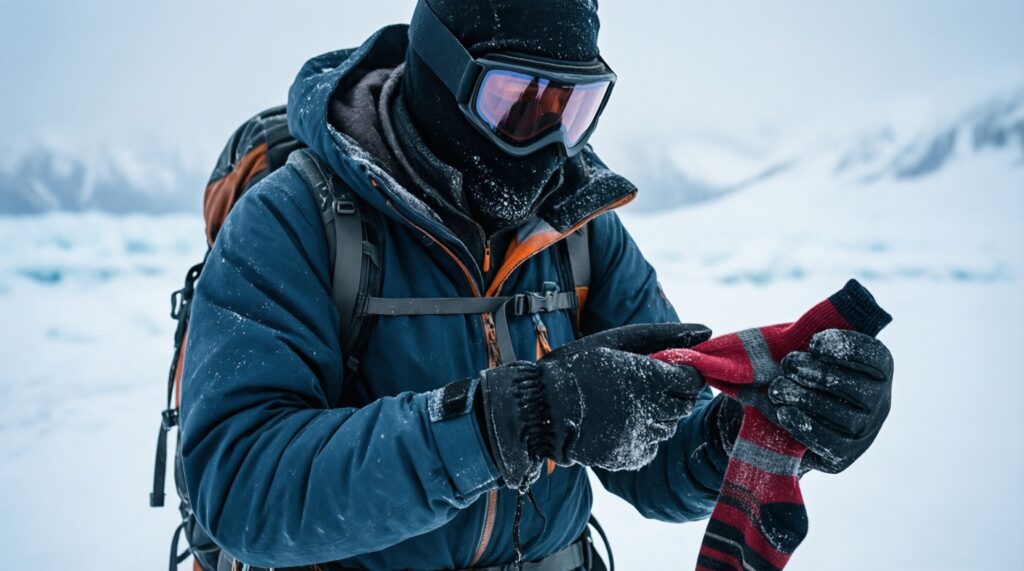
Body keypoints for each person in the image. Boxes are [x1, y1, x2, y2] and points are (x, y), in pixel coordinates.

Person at [179, 1, 894, 569]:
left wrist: (753, 426)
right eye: (517, 101)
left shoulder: (575, 227)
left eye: (575, 108)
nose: (549, 146)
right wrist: (509, 421)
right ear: (439, 72)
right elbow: (240, 486)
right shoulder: (294, 221)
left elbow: (657, 459)